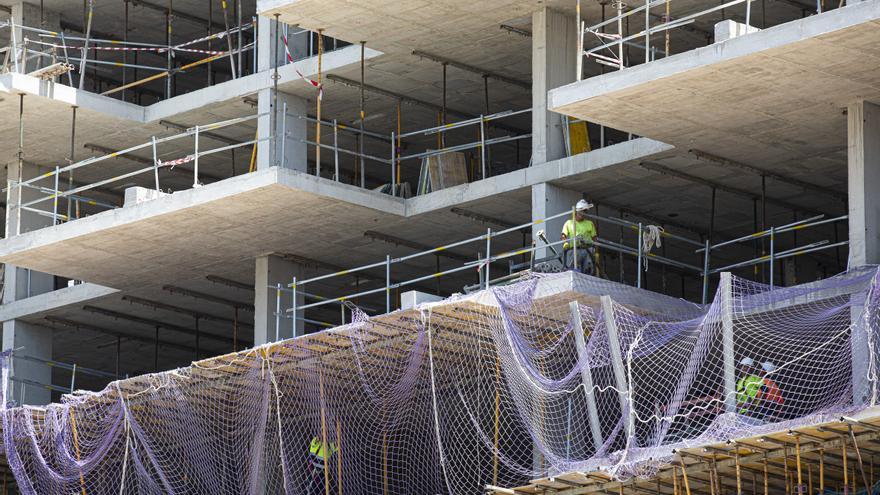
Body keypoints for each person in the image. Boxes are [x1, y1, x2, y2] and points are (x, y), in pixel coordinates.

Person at [561, 199, 598, 274]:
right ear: (577, 211)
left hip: (588, 250)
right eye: (583, 211)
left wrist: (596, 251)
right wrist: (565, 243)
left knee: (588, 271)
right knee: (575, 270)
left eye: (585, 211)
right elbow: (563, 235)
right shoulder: (569, 223)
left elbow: (594, 238)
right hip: (575, 249)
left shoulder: (589, 223)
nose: (584, 213)